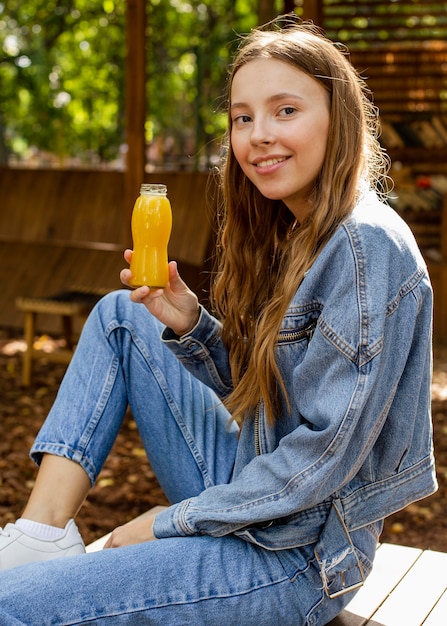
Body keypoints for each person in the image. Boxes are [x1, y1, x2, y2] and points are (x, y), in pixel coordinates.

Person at [0, 16, 437, 626]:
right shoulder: (294, 229)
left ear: (339, 119)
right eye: (243, 117)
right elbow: (274, 396)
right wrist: (191, 328)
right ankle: (41, 534)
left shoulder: (366, 247)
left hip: (300, 557)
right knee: (122, 317)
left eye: (286, 110)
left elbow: (321, 454)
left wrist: (161, 523)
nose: (259, 135)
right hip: (259, 496)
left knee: (10, 607)